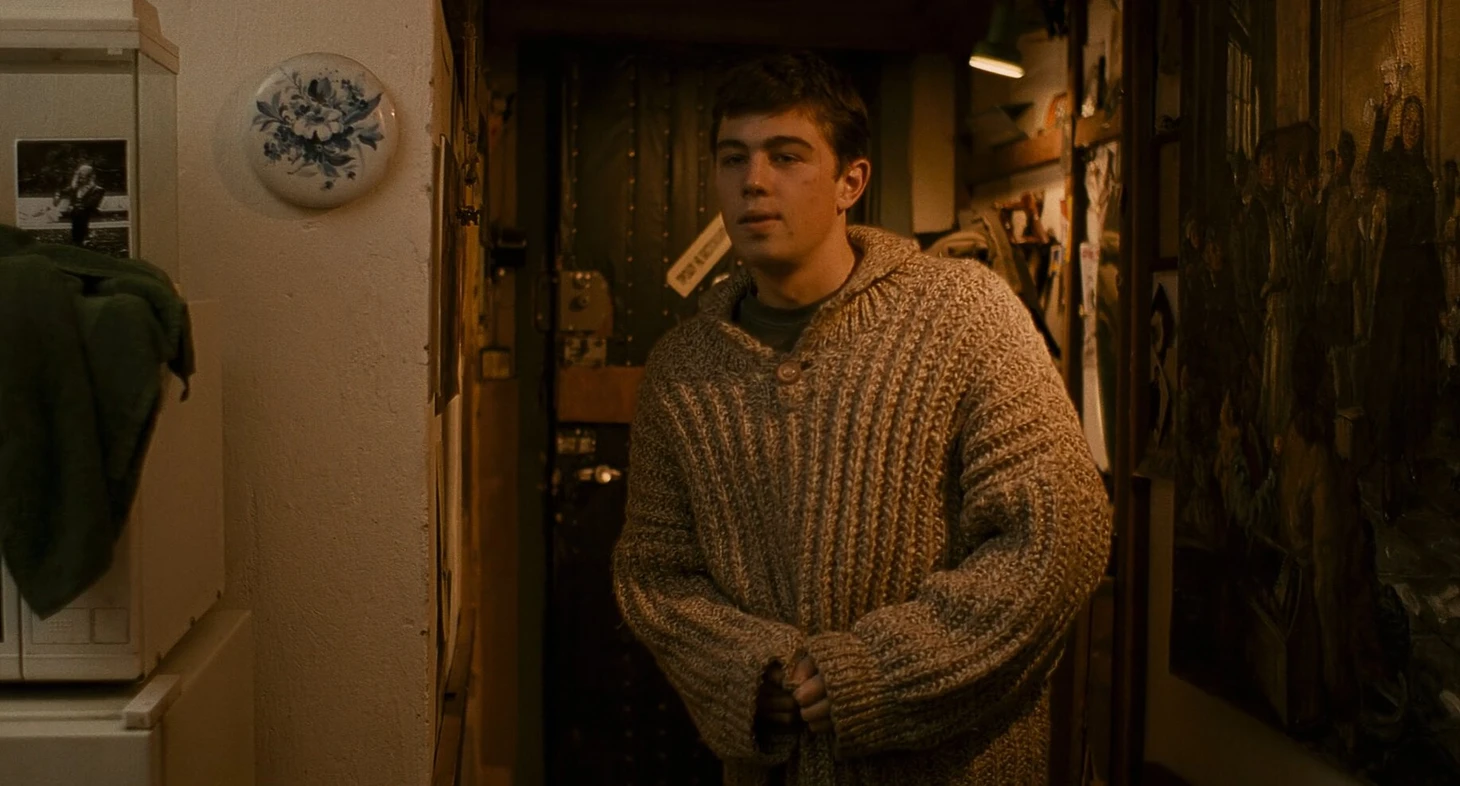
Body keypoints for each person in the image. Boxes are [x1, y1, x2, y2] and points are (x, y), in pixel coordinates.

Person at [611, 52, 1111, 786]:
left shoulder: (963, 315)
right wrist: (748, 673)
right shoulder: (682, 369)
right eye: (733, 158)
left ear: (851, 181)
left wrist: (881, 672)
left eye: (786, 156)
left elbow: (1059, 532)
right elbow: (656, 572)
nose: (753, 181)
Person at [54, 162, 106, 247]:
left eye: (84, 177)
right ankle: (81, 240)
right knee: (78, 213)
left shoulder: (97, 190)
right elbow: (61, 191)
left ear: (90, 178)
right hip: (76, 213)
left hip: (89, 212)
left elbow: (91, 203)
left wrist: (75, 206)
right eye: (80, 177)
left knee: (80, 212)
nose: (81, 180)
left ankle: (78, 240)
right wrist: (57, 195)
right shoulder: (75, 188)